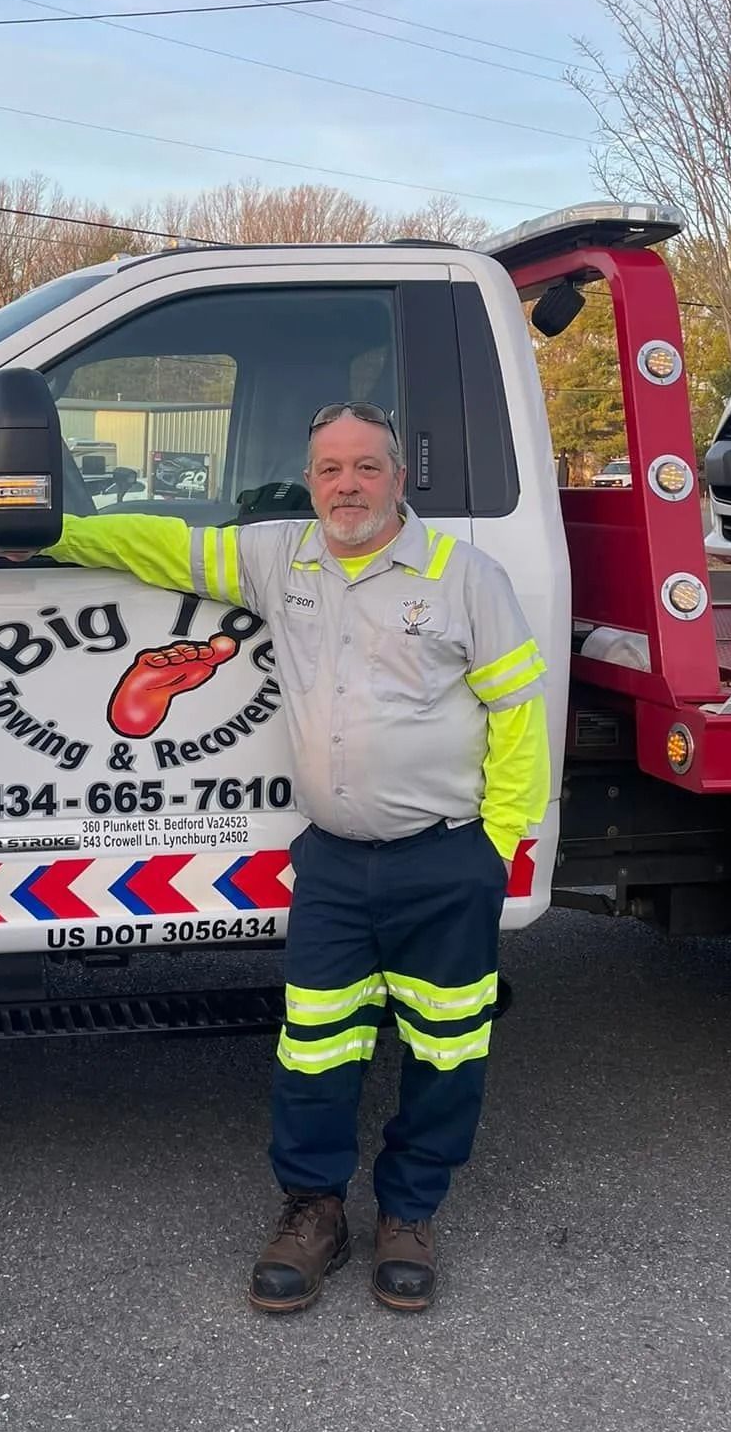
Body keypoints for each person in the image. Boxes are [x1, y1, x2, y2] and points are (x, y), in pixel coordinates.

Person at [43, 402, 551, 1313]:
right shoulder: (283, 557)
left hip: (444, 861)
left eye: (365, 467)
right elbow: (160, 544)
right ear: (310, 480)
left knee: (447, 1049)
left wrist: (496, 847)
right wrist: (44, 532)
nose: (346, 486)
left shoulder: (462, 576)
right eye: (328, 470)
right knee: (312, 1047)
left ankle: (409, 1213)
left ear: (401, 478)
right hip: (333, 865)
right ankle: (315, 1211)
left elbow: (518, 716)